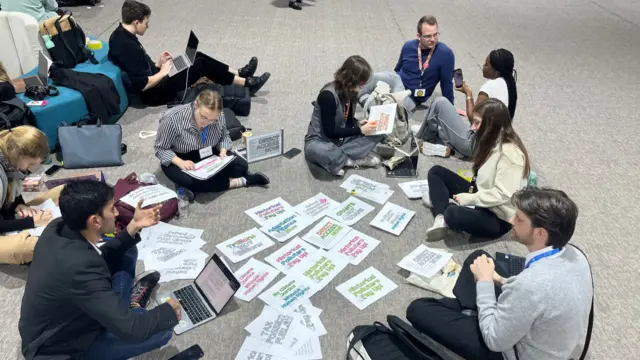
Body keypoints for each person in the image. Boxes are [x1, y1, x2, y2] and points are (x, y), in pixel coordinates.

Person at [407, 187, 593, 360]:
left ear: (540, 233)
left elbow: (495, 341)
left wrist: (485, 283)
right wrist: (498, 279)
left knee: (419, 308)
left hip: (512, 351)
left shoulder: (531, 285)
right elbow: (538, 295)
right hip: (543, 332)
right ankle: (473, 313)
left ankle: (476, 315)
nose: (511, 221)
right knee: (478, 258)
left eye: (519, 219)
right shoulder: (575, 254)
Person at [19, 180, 183, 360]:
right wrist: (169, 310)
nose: (117, 213)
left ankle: (124, 310)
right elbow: (133, 331)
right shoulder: (79, 268)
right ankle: (128, 309)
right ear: (95, 221)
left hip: (73, 312)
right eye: (112, 209)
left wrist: (133, 226)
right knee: (163, 330)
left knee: (126, 249)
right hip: (60, 348)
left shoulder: (58, 227)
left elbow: (94, 260)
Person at [108, 0, 270, 106]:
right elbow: (143, 84)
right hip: (155, 93)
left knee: (197, 56)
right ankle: (246, 84)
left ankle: (238, 73)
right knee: (200, 64)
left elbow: (138, 67)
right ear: (136, 22)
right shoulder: (128, 47)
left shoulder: (120, 34)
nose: (148, 26)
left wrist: (157, 64)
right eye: (146, 22)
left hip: (156, 76)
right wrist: (164, 71)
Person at [423, 99, 530, 241]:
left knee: (452, 213)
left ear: (490, 124)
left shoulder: (510, 154)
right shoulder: (491, 140)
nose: (472, 127)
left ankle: (442, 208)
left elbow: (503, 195)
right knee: (436, 172)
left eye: (477, 123)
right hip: (481, 196)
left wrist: (470, 199)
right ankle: (440, 218)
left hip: (498, 217)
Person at [155, 89, 270, 194]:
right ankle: (241, 181)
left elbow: (224, 136)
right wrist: (180, 162)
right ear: (195, 105)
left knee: (241, 166)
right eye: (203, 117)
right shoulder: (171, 119)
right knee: (189, 181)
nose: (206, 123)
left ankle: (198, 187)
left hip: (209, 151)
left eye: (212, 120)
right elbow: (161, 149)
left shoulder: (218, 116)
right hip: (181, 156)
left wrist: (223, 150)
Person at [416, 48, 518, 157]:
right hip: (492, 148)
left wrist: (468, 93)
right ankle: (446, 147)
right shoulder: (509, 86)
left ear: (496, 70)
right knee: (447, 124)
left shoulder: (490, 86)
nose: (483, 66)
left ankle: (426, 138)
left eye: (487, 64)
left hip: (474, 146)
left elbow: (473, 118)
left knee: (439, 103)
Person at [304, 55, 383, 177]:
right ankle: (349, 160)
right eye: (361, 84)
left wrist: (358, 124)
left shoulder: (350, 92)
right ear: (351, 80)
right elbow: (329, 132)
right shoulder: (328, 96)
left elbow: (348, 121)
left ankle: (338, 160)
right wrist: (359, 130)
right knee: (320, 151)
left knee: (379, 131)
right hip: (321, 140)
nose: (361, 88)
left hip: (341, 139)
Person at [0, 126, 63, 265]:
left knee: (64, 191)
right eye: (30, 164)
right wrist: (32, 222)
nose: (30, 169)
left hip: (6, 216)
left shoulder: (9, 162)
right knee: (31, 246)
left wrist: (18, 204)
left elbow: (11, 192)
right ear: (19, 156)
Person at [394, 15, 455, 109]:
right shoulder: (408, 46)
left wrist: (450, 109)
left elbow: (447, 85)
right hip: (397, 83)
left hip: (411, 96)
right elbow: (397, 69)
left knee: (397, 107)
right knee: (374, 78)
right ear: (419, 36)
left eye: (435, 35)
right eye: (428, 36)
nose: (433, 39)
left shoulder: (445, 54)